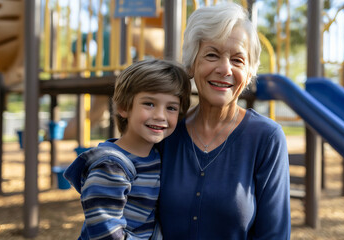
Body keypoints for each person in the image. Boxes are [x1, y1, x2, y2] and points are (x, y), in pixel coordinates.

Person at [157, 3, 291, 239]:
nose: (224, 68)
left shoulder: (266, 138)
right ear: (191, 63)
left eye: (238, 60)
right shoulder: (165, 131)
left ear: (249, 73)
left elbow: (274, 234)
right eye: (212, 55)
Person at [64, 59, 191, 240]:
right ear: (123, 107)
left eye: (171, 108)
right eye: (149, 104)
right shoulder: (111, 166)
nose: (160, 116)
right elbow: (106, 232)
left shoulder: (156, 156)